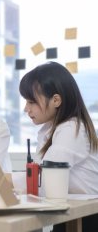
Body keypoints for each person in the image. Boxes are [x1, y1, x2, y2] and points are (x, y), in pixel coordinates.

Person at [19, 61, 98, 232]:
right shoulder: (51, 129)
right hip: (71, 214)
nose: (26, 108)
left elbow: (46, 181)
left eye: (31, 102)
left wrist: (4, 180)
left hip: (88, 219)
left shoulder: (72, 129)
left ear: (56, 100)